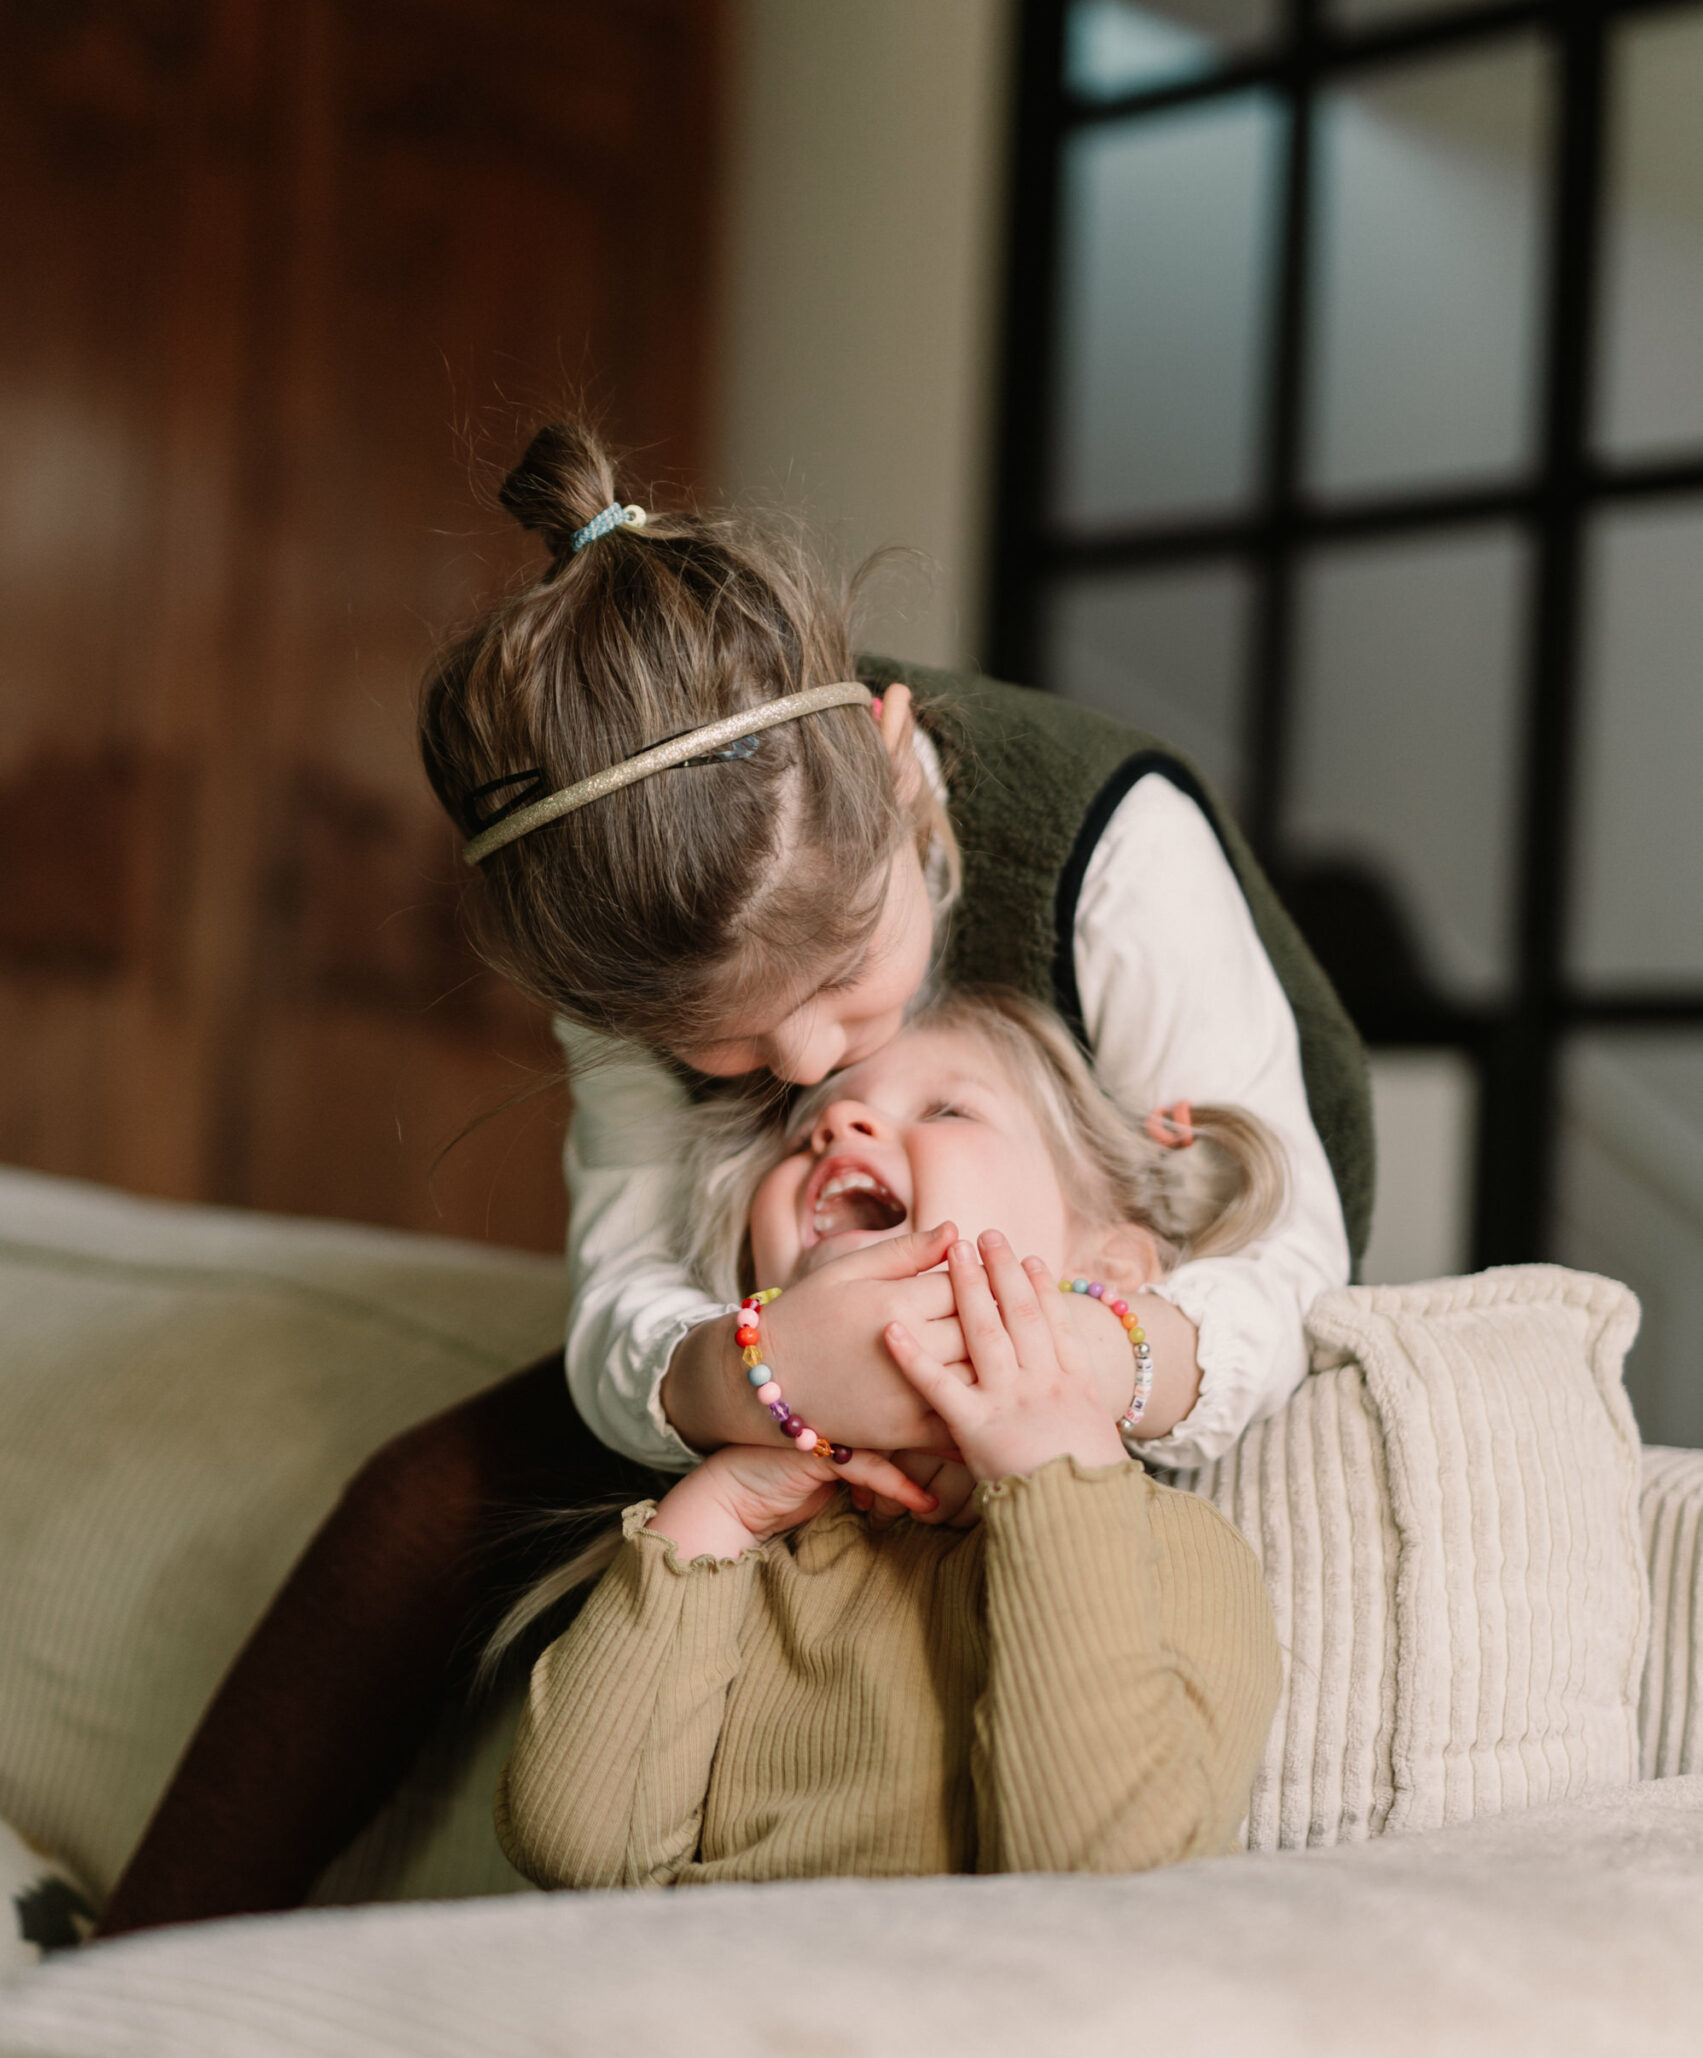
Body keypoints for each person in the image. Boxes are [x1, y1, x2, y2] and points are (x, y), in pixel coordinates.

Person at [97, 419, 1364, 1935]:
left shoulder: (1120, 853)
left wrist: (1077, 1360)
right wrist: (761, 1372)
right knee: (427, 1498)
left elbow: (1281, 1265)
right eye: (724, 1046)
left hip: (1160, 1219)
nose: (810, 1068)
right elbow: (624, 1295)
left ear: (895, 762)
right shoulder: (628, 931)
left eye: (843, 975)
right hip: (793, 1308)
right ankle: (134, 1958)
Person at [497, 987, 1283, 1890]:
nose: (839, 1128)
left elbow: (1101, 1877)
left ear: (1107, 1264)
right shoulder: (742, 1557)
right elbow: (577, 1849)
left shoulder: (1169, 1551)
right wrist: (715, 1511)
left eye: (947, 1108)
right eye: (803, 1135)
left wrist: (1052, 1478)